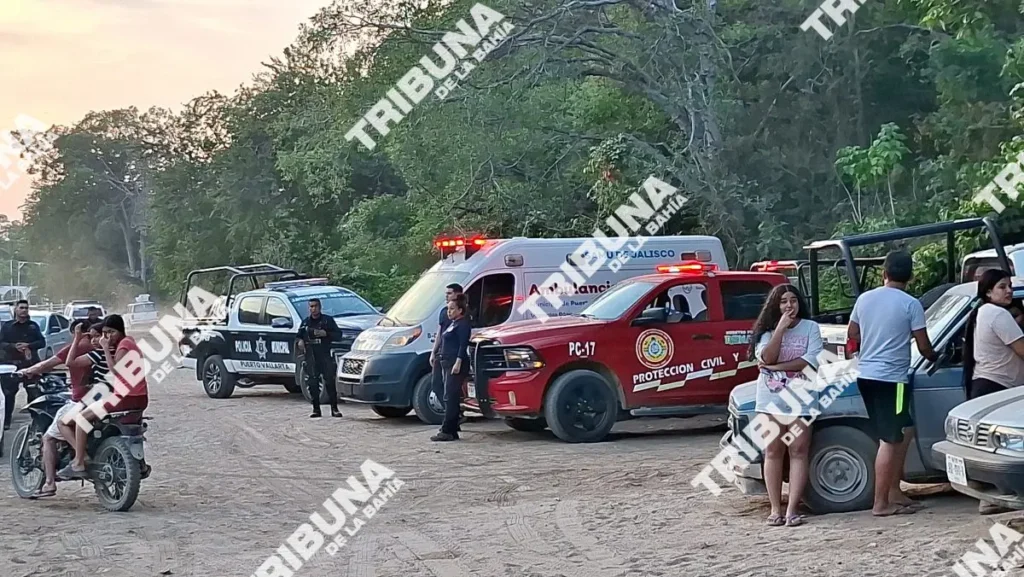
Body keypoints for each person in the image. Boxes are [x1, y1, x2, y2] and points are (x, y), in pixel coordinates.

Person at [847, 251, 937, 517]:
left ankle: (895, 490)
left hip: (866, 377)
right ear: (910, 276)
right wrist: (936, 357)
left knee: (905, 429)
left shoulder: (865, 299)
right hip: (893, 381)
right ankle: (881, 503)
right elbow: (924, 346)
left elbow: (852, 332)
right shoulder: (911, 304)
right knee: (890, 439)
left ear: (883, 273)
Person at [750, 284, 823, 527]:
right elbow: (766, 357)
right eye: (783, 301)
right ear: (775, 306)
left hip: (802, 398)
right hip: (771, 399)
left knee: (799, 451)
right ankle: (775, 509)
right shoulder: (766, 331)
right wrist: (780, 328)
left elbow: (809, 362)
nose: (789, 305)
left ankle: (792, 509)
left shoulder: (811, 328)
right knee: (772, 452)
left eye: (793, 300)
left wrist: (775, 368)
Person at [962, 269, 1024, 514]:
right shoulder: (998, 314)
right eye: (1002, 287)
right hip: (998, 388)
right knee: (1001, 450)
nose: (1008, 291)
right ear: (988, 292)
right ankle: (992, 499)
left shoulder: (984, 312)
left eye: (1009, 286)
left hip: (986, 384)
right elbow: (1021, 350)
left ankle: (989, 497)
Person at [24, 321, 99, 496]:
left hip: (82, 401)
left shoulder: (77, 348)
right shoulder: (104, 349)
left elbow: (46, 365)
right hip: (103, 400)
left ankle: (50, 483)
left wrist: (26, 371)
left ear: (75, 332)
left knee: (49, 437)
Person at [431, 294, 471, 442]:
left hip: (455, 363)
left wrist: (458, 362)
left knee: (450, 396)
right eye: (448, 309)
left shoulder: (463, 324)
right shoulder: (452, 324)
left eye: (452, 309)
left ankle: (447, 429)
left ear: (460, 310)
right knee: (449, 396)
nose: (449, 312)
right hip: (446, 362)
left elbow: (462, 344)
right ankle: (452, 430)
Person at [1, 299, 45, 430]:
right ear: (15, 309)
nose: (24, 310)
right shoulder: (7, 326)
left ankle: (36, 422)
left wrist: (29, 345)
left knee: (33, 393)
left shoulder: (33, 326)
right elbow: (1, 343)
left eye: (26, 308)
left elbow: (42, 342)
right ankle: (6, 421)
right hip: (11, 365)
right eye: (21, 308)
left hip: (30, 364)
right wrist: (14, 346)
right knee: (8, 394)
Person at [297, 298, 341, 418]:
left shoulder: (327, 320)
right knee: (313, 382)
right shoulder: (306, 322)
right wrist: (300, 341)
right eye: (311, 306)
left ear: (320, 307)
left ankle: (334, 409)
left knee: (329, 381)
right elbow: (299, 335)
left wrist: (326, 334)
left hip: (324, 353)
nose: (313, 309)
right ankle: (316, 409)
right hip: (311, 354)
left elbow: (338, 335)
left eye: (315, 306)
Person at [430, 283, 464, 417]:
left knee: (450, 390)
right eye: (446, 293)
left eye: (449, 293)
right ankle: (454, 415)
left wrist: (459, 360)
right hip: (441, 353)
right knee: (436, 385)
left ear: (457, 294)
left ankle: (454, 417)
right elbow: (440, 333)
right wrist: (433, 351)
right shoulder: (444, 312)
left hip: (453, 356)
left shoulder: (462, 314)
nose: (446, 296)